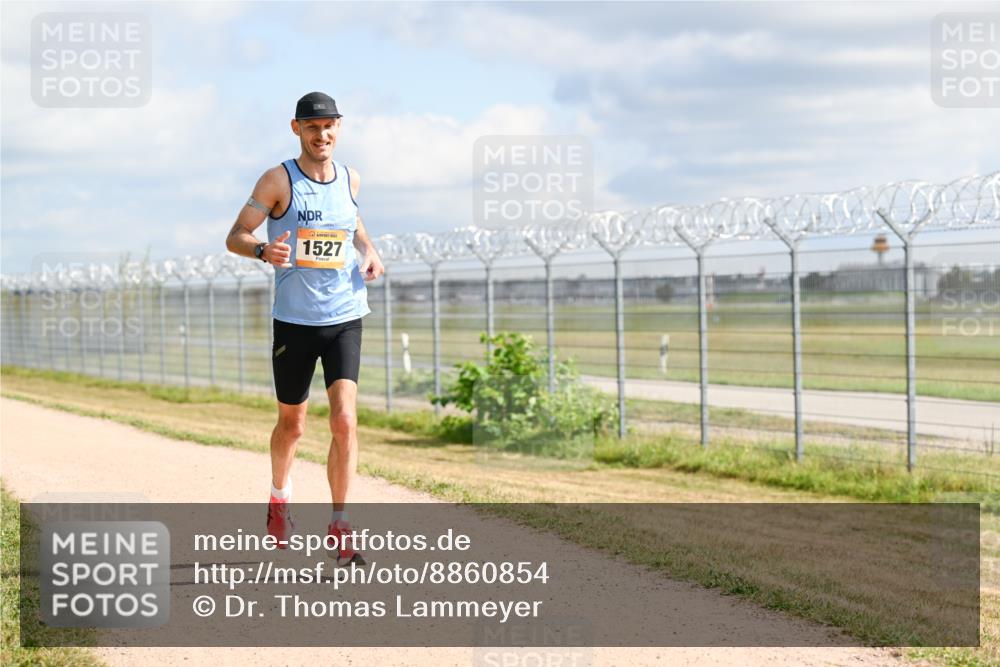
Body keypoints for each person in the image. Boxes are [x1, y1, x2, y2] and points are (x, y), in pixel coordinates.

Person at [225, 91, 384, 566]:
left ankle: (340, 525)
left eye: (329, 126)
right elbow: (236, 235)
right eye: (313, 127)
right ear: (297, 129)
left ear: (339, 127)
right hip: (295, 322)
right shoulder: (278, 180)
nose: (323, 135)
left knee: (345, 420)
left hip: (345, 315)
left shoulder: (351, 178)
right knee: (293, 426)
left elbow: (352, 220)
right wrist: (260, 250)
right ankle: (279, 499)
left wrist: (369, 250)